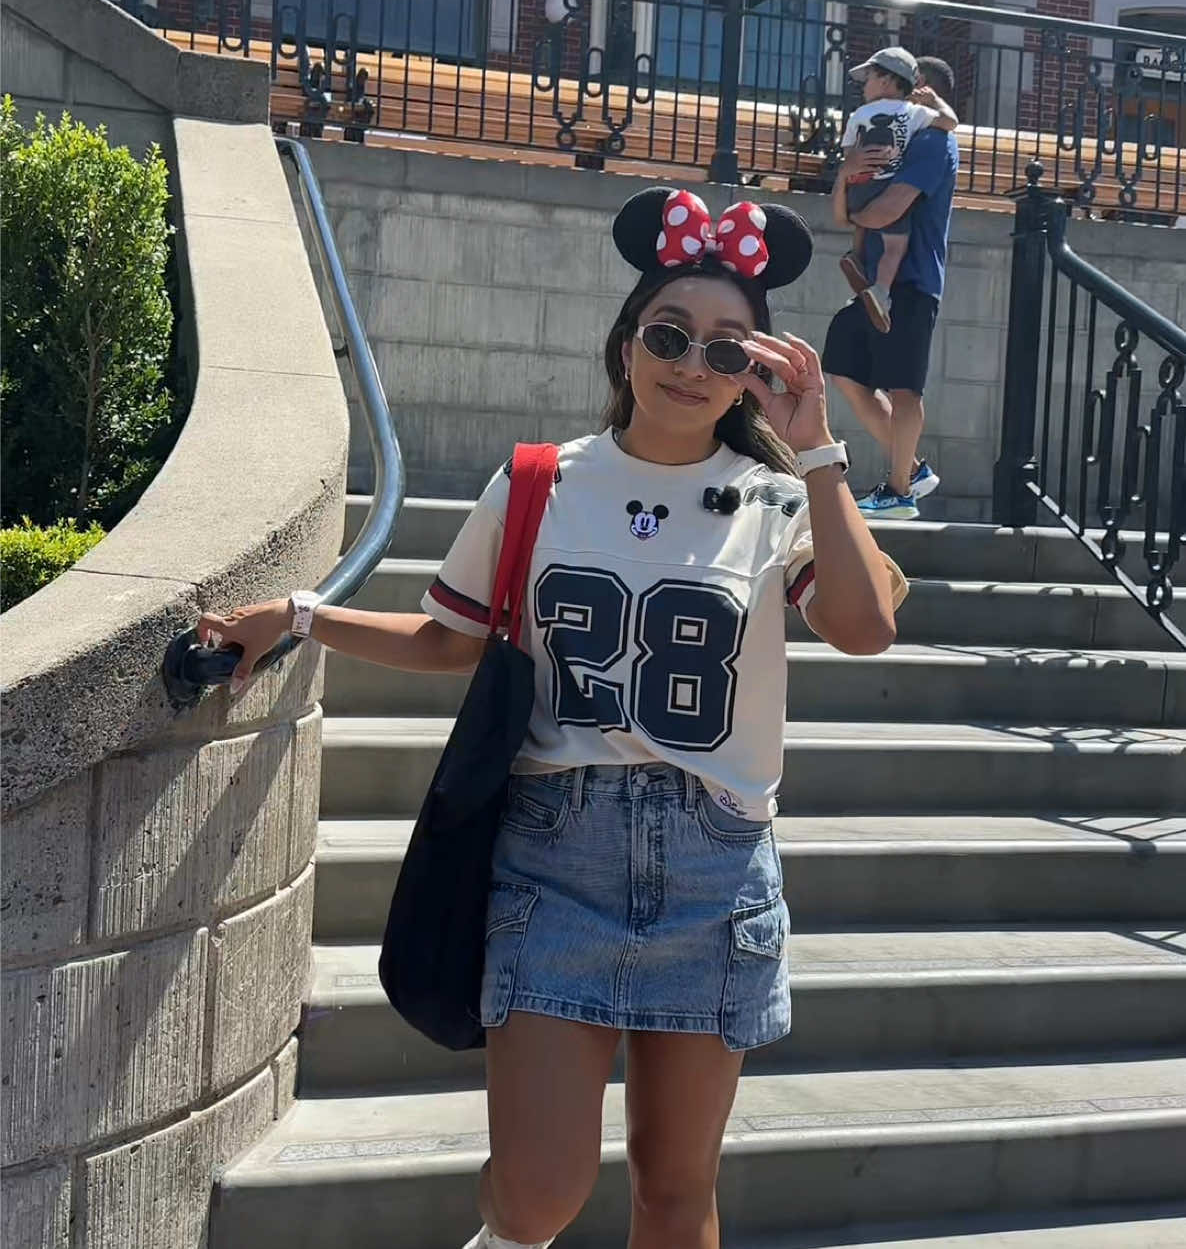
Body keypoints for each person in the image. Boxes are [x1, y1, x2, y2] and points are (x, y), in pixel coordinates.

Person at [197, 185, 907, 1249]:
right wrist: (303, 615)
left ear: (753, 375)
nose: (691, 363)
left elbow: (862, 627)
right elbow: (451, 641)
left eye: (727, 350)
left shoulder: (776, 504)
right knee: (537, 1191)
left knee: (675, 1193)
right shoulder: (540, 482)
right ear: (626, 345)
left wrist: (817, 452)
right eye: (669, 334)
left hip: (715, 870)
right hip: (554, 853)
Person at [823, 56, 960, 522]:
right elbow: (842, 212)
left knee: (905, 390)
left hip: (913, 284)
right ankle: (913, 470)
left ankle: (900, 490)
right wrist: (846, 173)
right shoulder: (883, 140)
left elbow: (886, 210)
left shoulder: (934, 142)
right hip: (873, 284)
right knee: (842, 364)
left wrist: (856, 213)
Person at [837, 50, 959, 333]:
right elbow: (950, 120)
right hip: (901, 276)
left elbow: (849, 155)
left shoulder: (861, 114)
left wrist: (849, 186)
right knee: (895, 244)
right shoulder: (914, 118)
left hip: (859, 187)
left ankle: (856, 255)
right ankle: (880, 289)